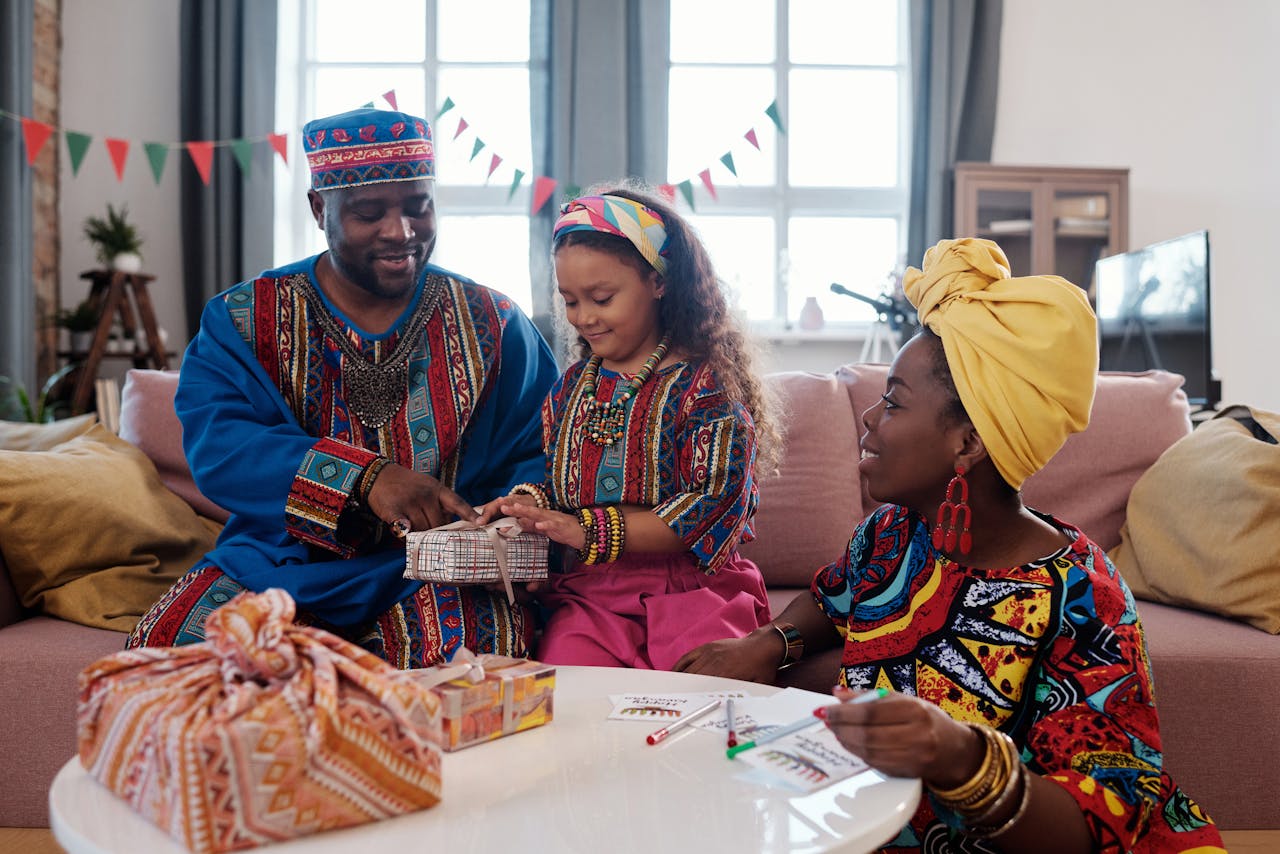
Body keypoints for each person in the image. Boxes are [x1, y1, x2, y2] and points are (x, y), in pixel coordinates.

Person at [675, 238, 1224, 852]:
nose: (870, 419)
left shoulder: (1084, 600)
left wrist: (962, 757)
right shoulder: (893, 534)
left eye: (894, 402)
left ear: (967, 444)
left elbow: (1102, 823)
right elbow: (833, 599)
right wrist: (768, 643)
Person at [127, 107, 559, 668]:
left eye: (418, 208)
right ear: (318, 208)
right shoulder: (244, 319)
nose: (400, 232)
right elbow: (223, 446)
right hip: (279, 560)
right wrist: (365, 479)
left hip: (440, 570)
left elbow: (545, 447)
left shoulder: (492, 321)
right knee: (164, 664)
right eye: (368, 212)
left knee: (474, 675)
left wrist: (519, 529)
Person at [476, 185, 776, 670]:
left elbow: (708, 508)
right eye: (571, 301)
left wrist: (582, 529)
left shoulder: (708, 390)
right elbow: (563, 483)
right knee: (570, 693)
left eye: (601, 297)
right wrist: (531, 506)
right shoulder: (573, 385)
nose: (584, 318)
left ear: (659, 282)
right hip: (593, 596)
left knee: (704, 706)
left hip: (693, 593)